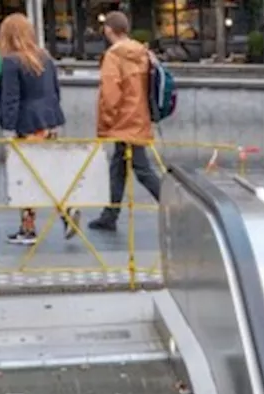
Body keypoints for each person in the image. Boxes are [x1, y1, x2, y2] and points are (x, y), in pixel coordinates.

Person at [0, 13, 74, 246]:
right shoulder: (45, 58)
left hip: (27, 125)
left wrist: (8, 128)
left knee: (26, 176)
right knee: (47, 172)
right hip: (49, 122)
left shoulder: (11, 62)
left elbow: (10, 99)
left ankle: (28, 229)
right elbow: (55, 92)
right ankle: (67, 210)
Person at [86, 11, 163, 234]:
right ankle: (110, 214)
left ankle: (173, 208)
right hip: (138, 118)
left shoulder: (114, 56)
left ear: (108, 30)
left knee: (142, 170)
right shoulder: (142, 52)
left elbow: (111, 95)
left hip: (123, 121)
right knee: (118, 167)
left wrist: (106, 124)